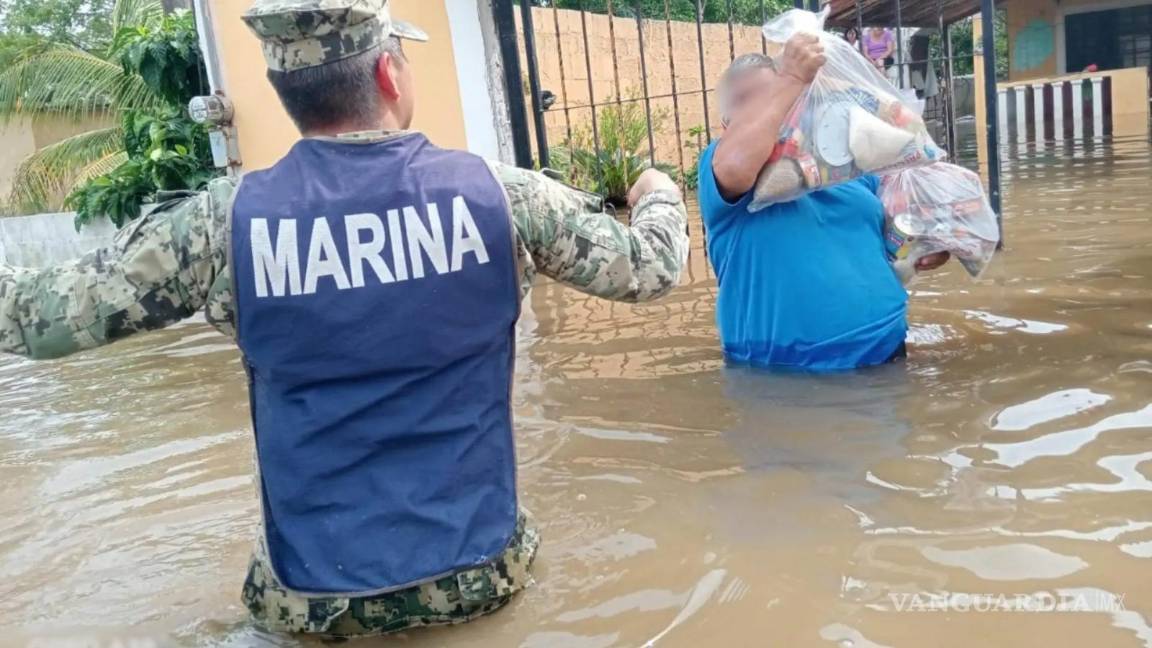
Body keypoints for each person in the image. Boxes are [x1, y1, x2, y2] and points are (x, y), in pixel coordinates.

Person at [0, 0, 689, 638]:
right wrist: (658, 191)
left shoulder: (220, 223)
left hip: (311, 602)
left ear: (284, 92)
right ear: (389, 73)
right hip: (479, 578)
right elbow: (651, 267)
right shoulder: (501, 197)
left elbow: (39, 320)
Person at [697, 38, 948, 372]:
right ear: (727, 125)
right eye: (749, 103)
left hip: (888, 354)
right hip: (783, 377)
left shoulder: (846, 165)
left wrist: (925, 248)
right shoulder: (719, 167)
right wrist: (790, 79)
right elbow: (735, 167)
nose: (771, 109)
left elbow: (899, 233)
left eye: (773, 96)